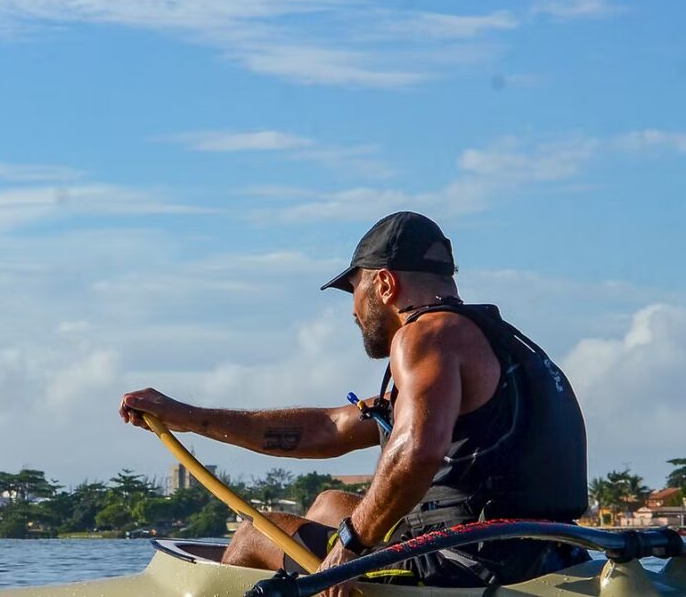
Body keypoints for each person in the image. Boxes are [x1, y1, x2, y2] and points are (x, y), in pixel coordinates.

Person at [119, 211, 589, 595]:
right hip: (546, 552)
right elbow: (330, 428)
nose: (352, 309)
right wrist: (187, 417)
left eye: (354, 290)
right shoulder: (498, 344)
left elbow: (417, 450)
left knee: (253, 534)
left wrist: (350, 545)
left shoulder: (425, 335)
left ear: (383, 285)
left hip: (468, 566)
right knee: (329, 504)